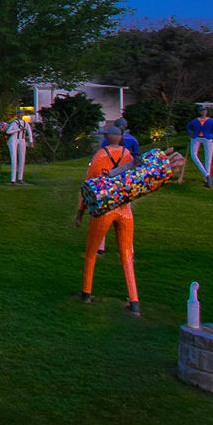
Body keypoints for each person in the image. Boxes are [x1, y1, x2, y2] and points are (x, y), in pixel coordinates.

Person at [74, 126, 143, 315]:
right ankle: (134, 301)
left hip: (104, 209)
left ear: (106, 137)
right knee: (127, 255)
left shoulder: (100, 156)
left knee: (91, 252)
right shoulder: (128, 154)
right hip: (124, 209)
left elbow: (89, 187)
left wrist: (80, 212)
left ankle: (86, 291)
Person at [181, 106, 213, 189]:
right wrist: (190, 133)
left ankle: (207, 180)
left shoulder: (210, 121)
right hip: (196, 138)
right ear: (199, 112)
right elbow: (188, 126)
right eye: (201, 111)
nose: (203, 112)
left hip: (207, 138)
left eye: (204, 110)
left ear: (206, 112)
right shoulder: (196, 120)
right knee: (194, 155)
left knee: (208, 159)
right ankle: (207, 175)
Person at [5, 111, 34, 184]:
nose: (21, 115)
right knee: (14, 159)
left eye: (22, 114)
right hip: (13, 140)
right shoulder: (14, 123)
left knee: (22, 159)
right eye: (19, 114)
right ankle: (13, 180)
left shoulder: (25, 123)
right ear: (17, 115)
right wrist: (17, 130)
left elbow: (29, 132)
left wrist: (31, 141)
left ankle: (20, 178)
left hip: (22, 140)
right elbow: (8, 131)